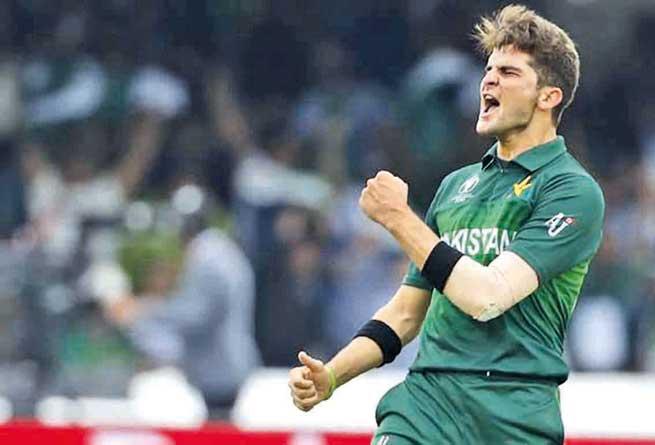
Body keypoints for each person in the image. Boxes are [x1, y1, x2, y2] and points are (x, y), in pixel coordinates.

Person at [288, 5, 605, 444]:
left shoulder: (571, 191)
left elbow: (488, 297)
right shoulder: (457, 186)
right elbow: (405, 312)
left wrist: (400, 219)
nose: (488, 80)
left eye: (509, 72)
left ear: (548, 96)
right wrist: (332, 377)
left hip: (512, 416)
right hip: (426, 408)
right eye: (489, 70)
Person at [99, 185, 261, 416]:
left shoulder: (208, 258)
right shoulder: (221, 251)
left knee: (217, 430)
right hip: (224, 361)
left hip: (219, 367)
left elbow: (195, 316)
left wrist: (144, 309)